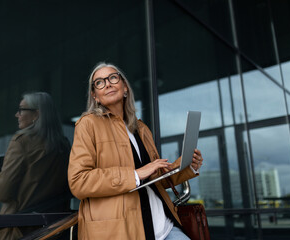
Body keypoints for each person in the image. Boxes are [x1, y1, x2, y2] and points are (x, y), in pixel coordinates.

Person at [68, 63, 204, 240]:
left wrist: (187, 166)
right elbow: (79, 181)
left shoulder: (140, 128)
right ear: (95, 96)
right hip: (122, 231)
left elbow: (156, 179)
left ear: (125, 88)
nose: (107, 84)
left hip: (163, 226)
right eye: (99, 82)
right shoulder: (88, 125)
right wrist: (135, 174)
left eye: (113, 78)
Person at [0, 92, 71, 240]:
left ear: (37, 114)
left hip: (18, 229)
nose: (17, 114)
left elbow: (2, 192)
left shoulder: (22, 142)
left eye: (21, 109)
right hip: (52, 230)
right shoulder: (63, 145)